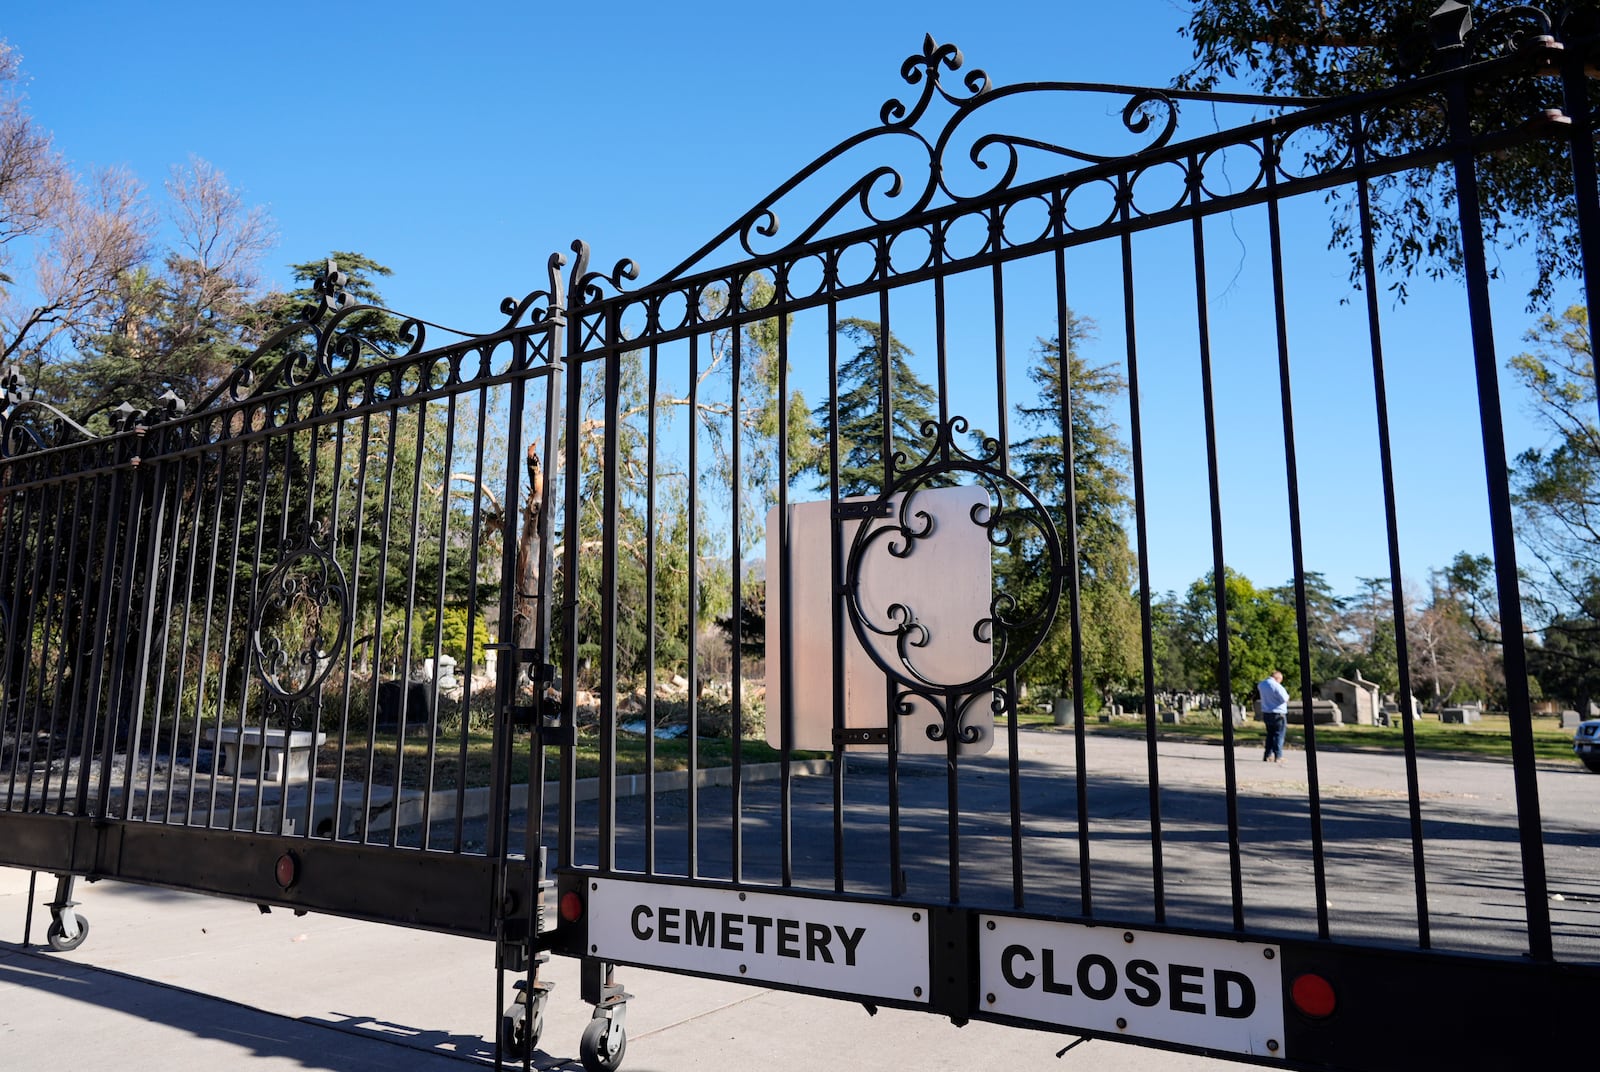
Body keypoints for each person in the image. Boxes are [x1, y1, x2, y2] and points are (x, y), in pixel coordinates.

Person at [1258, 670, 1289, 763]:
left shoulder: (1261, 684)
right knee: (1279, 735)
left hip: (1267, 712)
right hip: (1278, 713)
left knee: (1270, 735)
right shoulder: (1277, 685)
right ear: (1277, 678)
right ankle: (1278, 756)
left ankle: (1267, 755)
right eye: (1280, 680)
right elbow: (1285, 698)